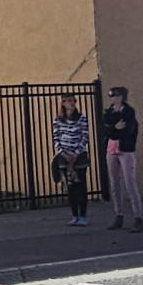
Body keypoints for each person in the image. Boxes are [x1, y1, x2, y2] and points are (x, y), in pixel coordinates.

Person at [101, 85, 143, 233]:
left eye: (116, 96)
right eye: (111, 96)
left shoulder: (129, 112)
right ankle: (118, 215)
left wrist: (115, 130)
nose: (114, 99)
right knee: (114, 184)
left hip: (126, 149)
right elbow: (106, 129)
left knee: (130, 183)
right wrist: (115, 128)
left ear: (122, 97)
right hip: (111, 149)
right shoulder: (108, 112)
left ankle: (138, 218)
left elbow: (128, 130)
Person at [50, 96, 91, 226]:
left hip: (79, 156)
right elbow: (56, 138)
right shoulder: (58, 120)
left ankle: (83, 216)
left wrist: (76, 153)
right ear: (63, 103)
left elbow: (84, 136)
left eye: (74, 101)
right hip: (64, 157)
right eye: (68, 101)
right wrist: (64, 153)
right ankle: (74, 215)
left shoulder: (81, 117)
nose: (72, 103)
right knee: (70, 186)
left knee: (81, 185)